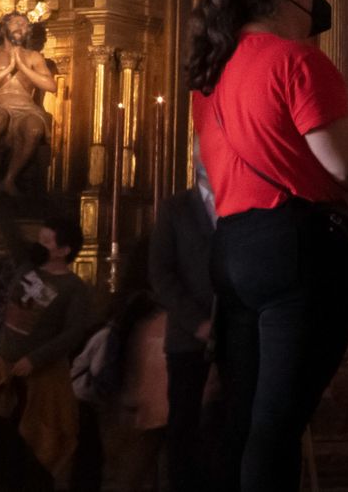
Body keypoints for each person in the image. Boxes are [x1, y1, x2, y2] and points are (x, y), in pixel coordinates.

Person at [185, 0, 348, 492]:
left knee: (242, 419)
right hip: (295, 247)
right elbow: (345, 165)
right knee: (278, 426)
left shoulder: (212, 75)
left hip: (234, 247)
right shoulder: (298, 60)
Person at [0, 215, 94, 491]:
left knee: (36, 454)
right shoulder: (29, 268)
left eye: (46, 242)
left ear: (64, 250)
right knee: (4, 448)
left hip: (42, 381)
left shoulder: (73, 288)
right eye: (38, 240)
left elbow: (74, 333)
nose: (39, 246)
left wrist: (35, 359)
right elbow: (11, 234)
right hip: (8, 374)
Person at [150, 143, 219, 492]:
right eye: (204, 152)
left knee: (228, 421)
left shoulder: (242, 205)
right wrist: (197, 323)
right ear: (193, 159)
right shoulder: (175, 209)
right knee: (184, 423)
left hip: (236, 332)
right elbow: (161, 274)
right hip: (187, 335)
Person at [0, 12, 57, 208]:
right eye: (16, 23)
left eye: (25, 25)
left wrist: (22, 67)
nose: (21, 28)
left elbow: (51, 86)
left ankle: (9, 179)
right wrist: (8, 69)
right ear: (3, 28)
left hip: (26, 108)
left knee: (34, 128)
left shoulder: (34, 57)